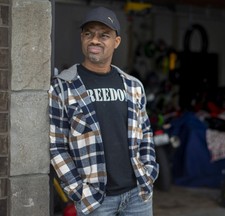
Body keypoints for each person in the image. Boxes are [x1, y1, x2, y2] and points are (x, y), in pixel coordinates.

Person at [48, 6, 159, 216]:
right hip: (95, 200)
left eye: (104, 35)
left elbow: (145, 134)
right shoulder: (63, 87)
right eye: (88, 34)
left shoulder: (133, 86)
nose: (95, 40)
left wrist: (149, 172)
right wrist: (78, 190)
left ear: (116, 42)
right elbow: (57, 146)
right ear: (82, 38)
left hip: (138, 195)